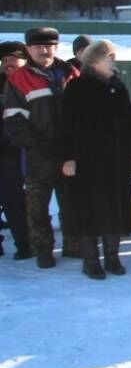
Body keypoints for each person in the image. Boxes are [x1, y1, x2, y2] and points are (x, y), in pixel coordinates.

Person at [60, 40, 131, 279]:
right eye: (109, 58)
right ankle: (91, 261)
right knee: (88, 212)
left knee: (114, 209)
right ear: (94, 61)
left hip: (115, 162)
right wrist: (67, 157)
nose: (113, 63)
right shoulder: (76, 88)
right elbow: (65, 126)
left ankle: (113, 258)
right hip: (87, 162)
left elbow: (129, 122)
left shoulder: (117, 87)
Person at [3, 27, 80, 267]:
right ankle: (43, 249)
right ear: (29, 50)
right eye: (38, 47)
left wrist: (75, 148)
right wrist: (36, 146)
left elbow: (82, 115)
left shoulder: (71, 73)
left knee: (71, 204)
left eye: (48, 46)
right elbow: (14, 120)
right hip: (38, 156)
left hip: (68, 155)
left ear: (56, 47)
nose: (43, 50)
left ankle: (74, 245)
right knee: (37, 209)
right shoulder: (19, 79)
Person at [0, 42, 32, 259]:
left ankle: (24, 243)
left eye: (13, 59)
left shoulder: (31, 82)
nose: (8, 64)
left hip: (17, 151)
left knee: (15, 201)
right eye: (4, 60)